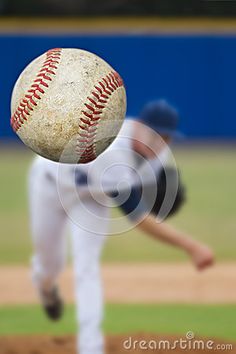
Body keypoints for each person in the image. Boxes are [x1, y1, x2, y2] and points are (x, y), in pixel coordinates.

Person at [28, 99, 214, 354]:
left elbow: (141, 193)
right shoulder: (113, 146)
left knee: (87, 265)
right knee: (52, 263)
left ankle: (90, 347)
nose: (162, 142)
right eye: (156, 134)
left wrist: (157, 197)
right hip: (50, 185)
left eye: (167, 137)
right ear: (138, 125)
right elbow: (136, 217)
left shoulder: (155, 155)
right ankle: (45, 285)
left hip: (92, 198)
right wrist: (190, 246)